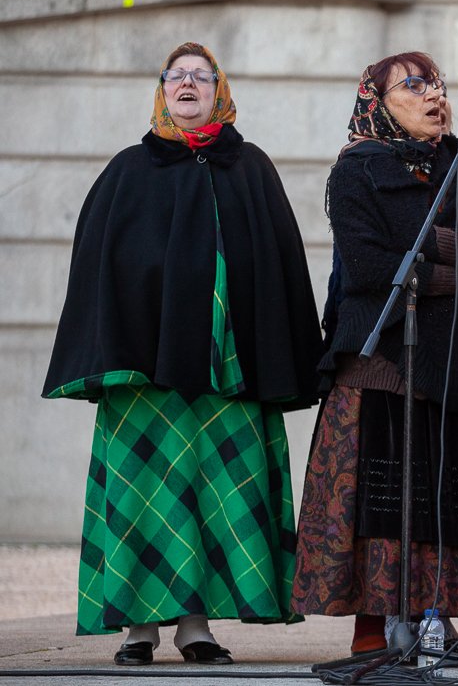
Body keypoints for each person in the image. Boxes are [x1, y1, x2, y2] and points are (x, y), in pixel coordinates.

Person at [42, 42, 323, 666]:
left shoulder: (251, 167)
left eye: (201, 75)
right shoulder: (127, 170)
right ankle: (138, 630)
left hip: (231, 373)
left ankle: (196, 627)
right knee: (147, 493)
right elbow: (98, 268)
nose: (188, 84)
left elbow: (279, 265)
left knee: (217, 492)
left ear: (219, 91)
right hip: (146, 373)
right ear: (163, 88)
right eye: (178, 75)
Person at [291, 52, 458, 655]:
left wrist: (428, 247)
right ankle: (375, 626)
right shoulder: (355, 171)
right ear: (380, 103)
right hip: (381, 361)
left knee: (443, 496)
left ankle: (437, 619)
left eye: (436, 84)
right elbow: (369, 265)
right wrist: (457, 275)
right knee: (383, 500)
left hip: (456, 359)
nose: (434, 95)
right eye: (413, 86)